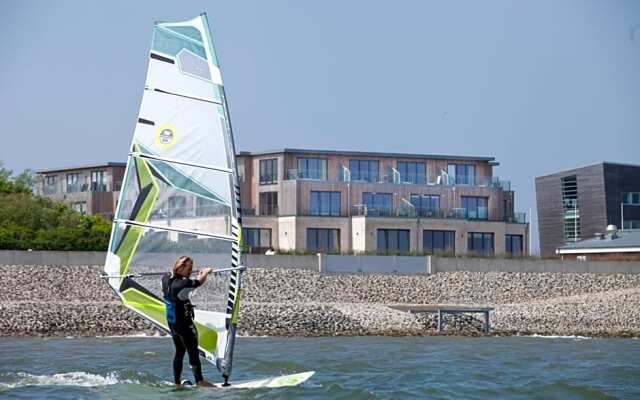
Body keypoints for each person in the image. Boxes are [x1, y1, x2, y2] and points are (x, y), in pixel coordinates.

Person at [162, 256, 215, 388]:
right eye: (188, 268)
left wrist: (182, 273)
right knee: (192, 350)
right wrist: (206, 272)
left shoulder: (166, 277)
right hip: (183, 323)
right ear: (180, 267)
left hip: (172, 322)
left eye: (191, 268)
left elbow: (177, 276)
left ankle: (177, 383)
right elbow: (198, 282)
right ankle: (200, 381)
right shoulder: (183, 284)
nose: (190, 271)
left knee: (179, 351)